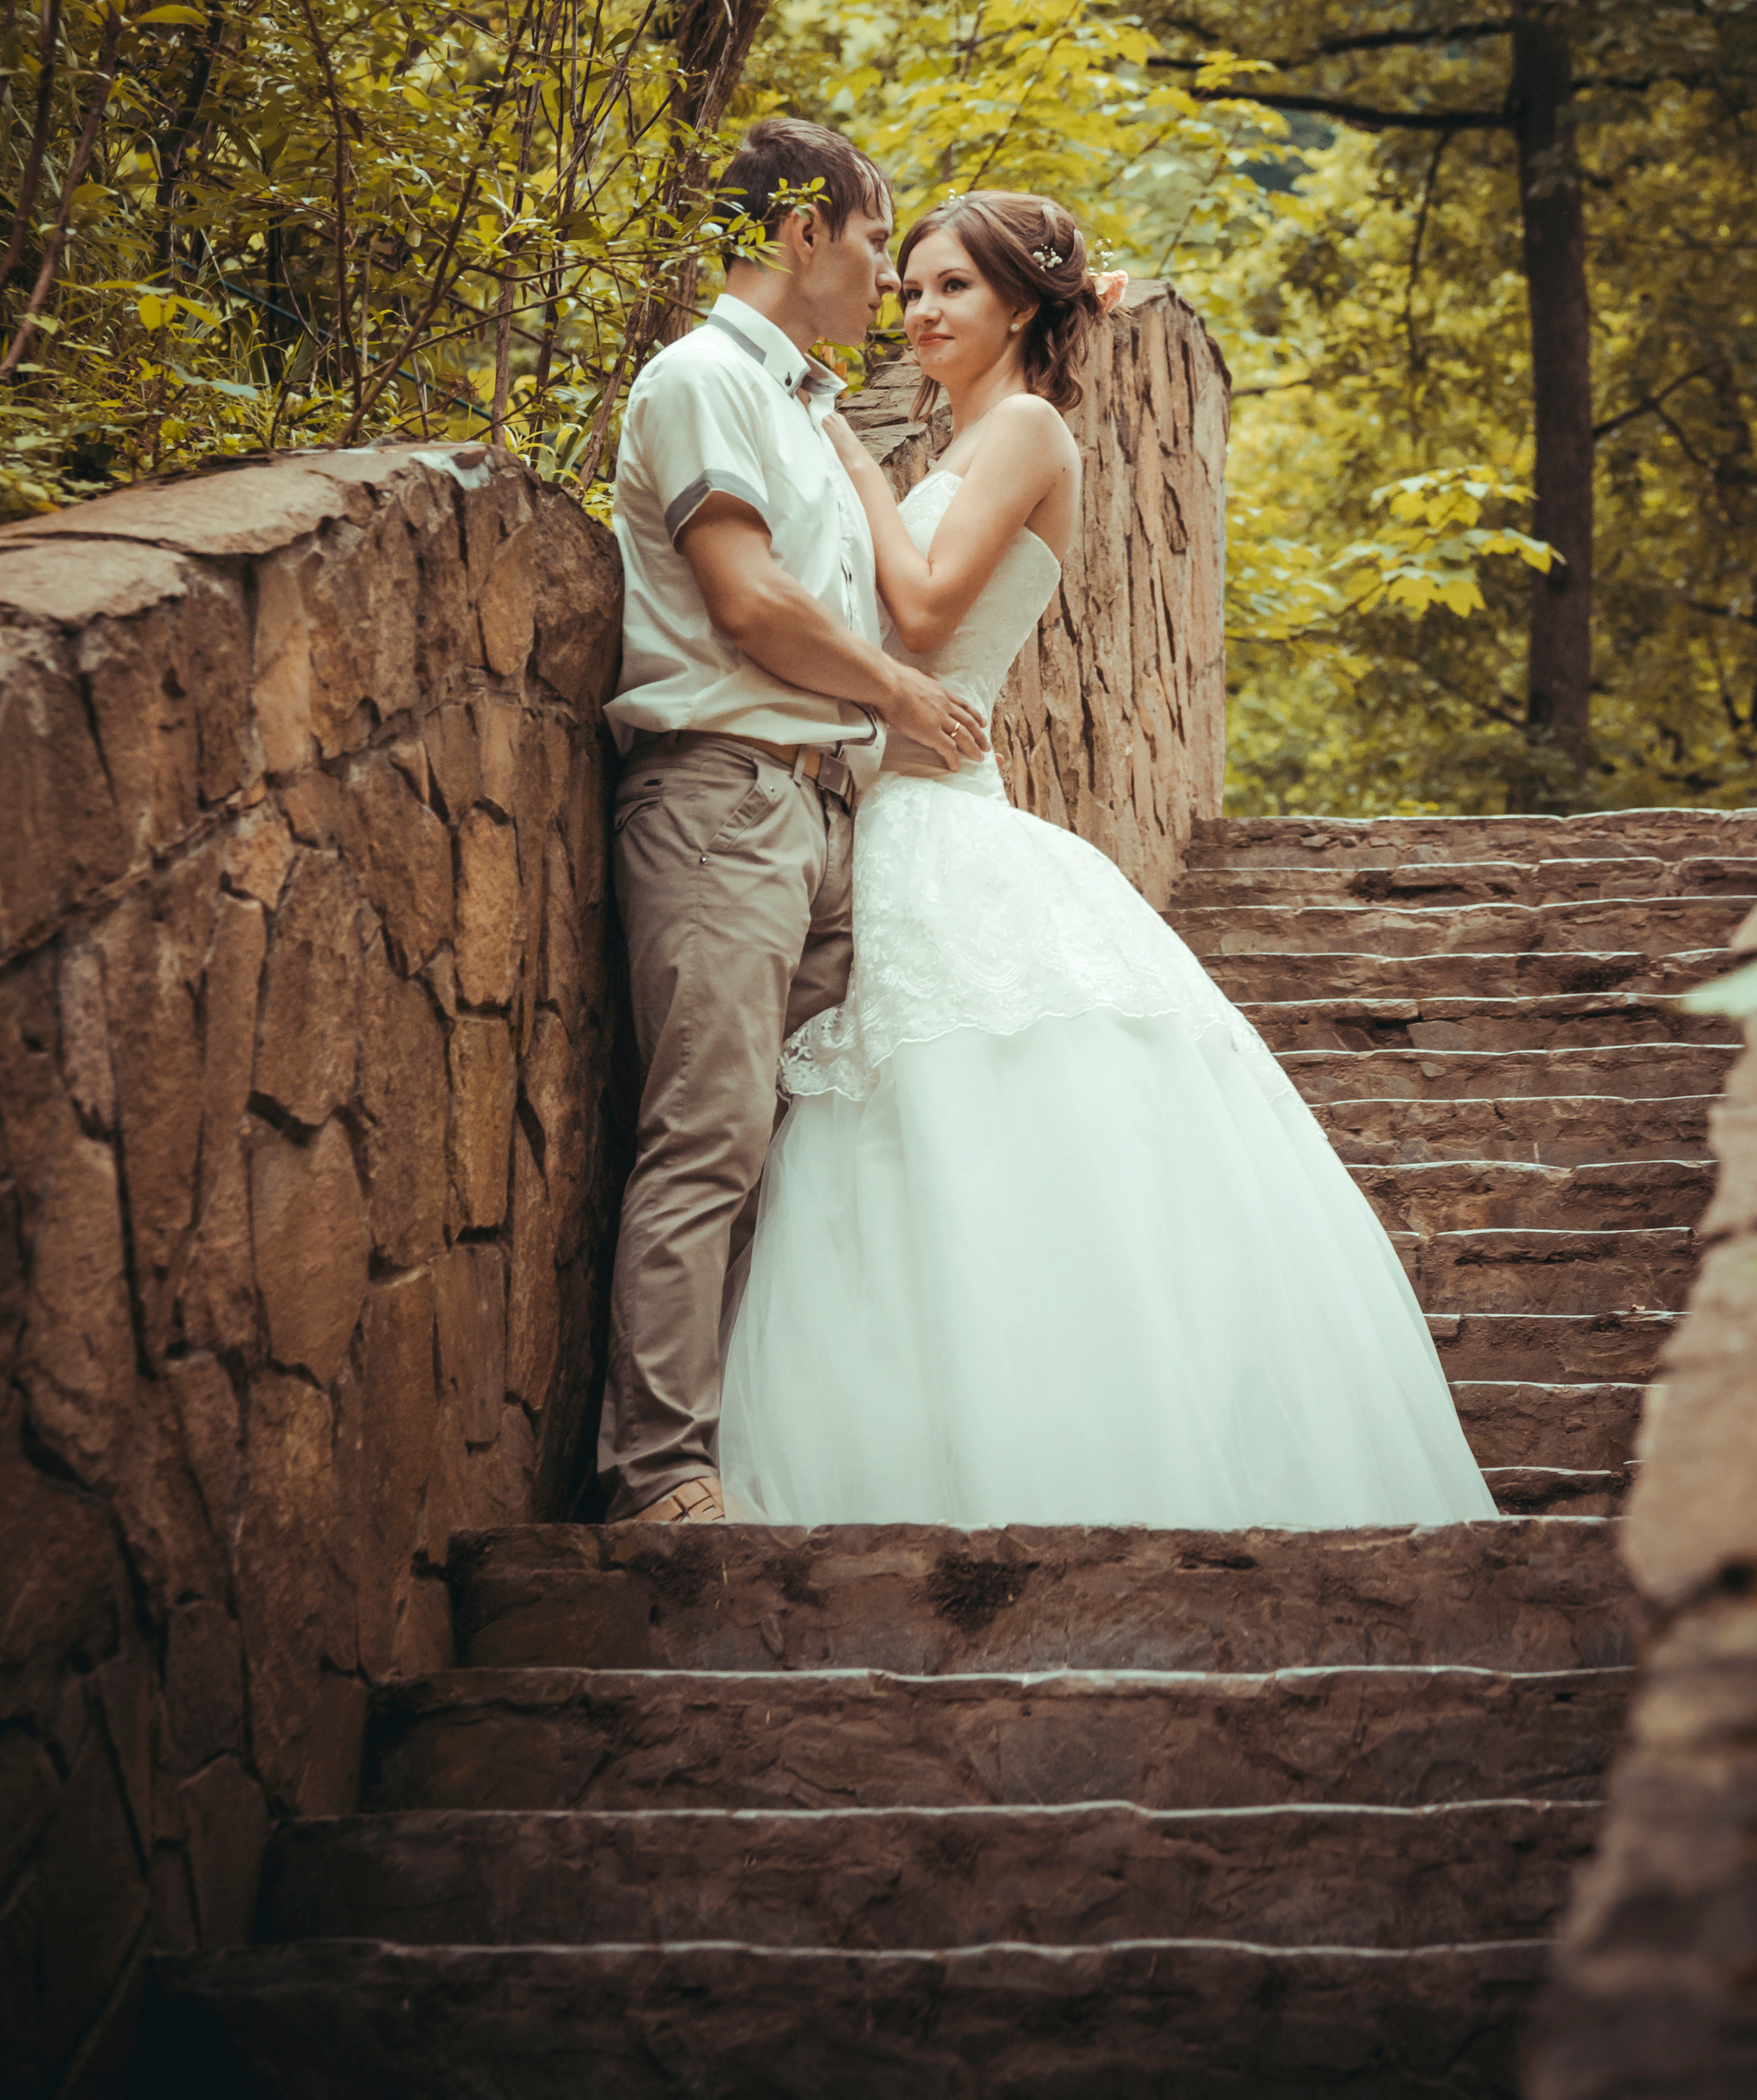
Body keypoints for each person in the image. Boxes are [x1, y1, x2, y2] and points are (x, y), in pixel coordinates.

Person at [718, 192, 1499, 1532]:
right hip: (890, 813)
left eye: (952, 288)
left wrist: (843, 453)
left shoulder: (1024, 429)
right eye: (908, 289)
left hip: (944, 819)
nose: (918, 313)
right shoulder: (968, 441)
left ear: (1022, 306)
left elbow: (918, 609)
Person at [597, 118, 988, 1527]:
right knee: (708, 1135)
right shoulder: (703, 379)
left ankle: (763, 1452)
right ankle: (659, 1477)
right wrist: (898, 694)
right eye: (880, 240)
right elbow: (750, 604)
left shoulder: (803, 409)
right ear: (800, 230)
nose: (888, 277)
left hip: (820, 818)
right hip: (724, 804)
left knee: (801, 1147)